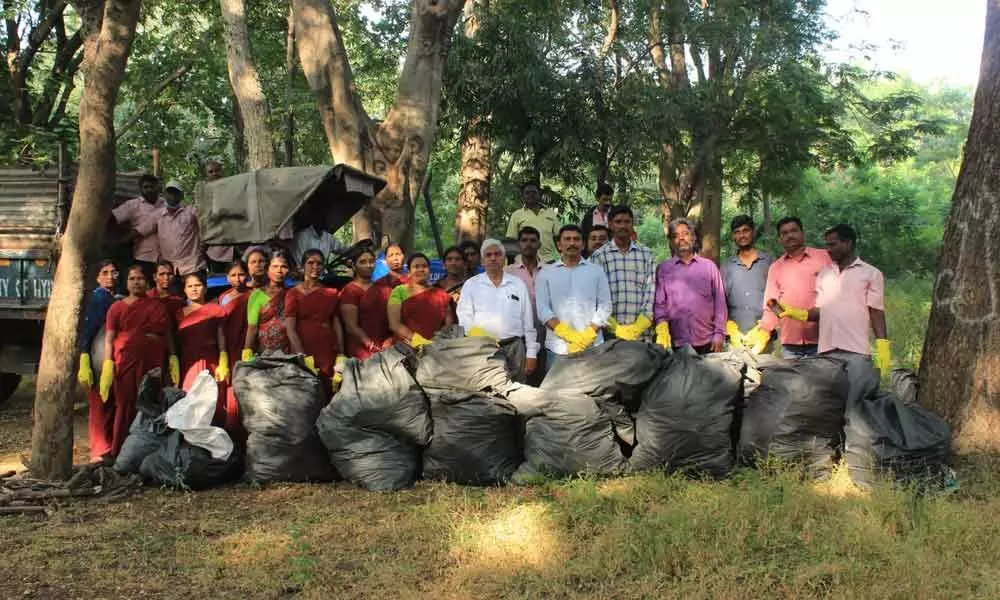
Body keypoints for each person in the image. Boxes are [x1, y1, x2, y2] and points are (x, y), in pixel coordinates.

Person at [780, 225, 891, 378]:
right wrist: (796, 313)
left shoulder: (871, 274)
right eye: (827, 245)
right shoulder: (824, 274)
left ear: (848, 243)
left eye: (833, 244)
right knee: (829, 400)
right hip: (827, 352)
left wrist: (882, 346)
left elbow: (876, 312)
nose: (829, 250)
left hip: (856, 352)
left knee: (854, 398)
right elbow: (821, 311)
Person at [98, 265, 177, 457]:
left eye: (140, 278)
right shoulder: (116, 308)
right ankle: (119, 451)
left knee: (151, 403)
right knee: (125, 404)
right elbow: (109, 338)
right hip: (125, 361)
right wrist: (108, 364)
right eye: (132, 279)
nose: (136, 282)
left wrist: (173, 358)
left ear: (147, 282)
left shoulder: (157, 306)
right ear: (126, 283)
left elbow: (167, 336)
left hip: (153, 362)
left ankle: (150, 452)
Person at [746, 217, 832, 358]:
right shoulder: (776, 267)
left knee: (822, 380)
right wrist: (765, 330)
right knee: (792, 380)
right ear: (780, 239)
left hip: (823, 339)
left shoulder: (824, 257)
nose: (790, 235)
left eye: (794, 231)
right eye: (784, 233)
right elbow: (771, 302)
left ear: (802, 234)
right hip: (791, 344)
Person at [456, 239, 539, 382]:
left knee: (517, 394)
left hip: (515, 348)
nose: (493, 258)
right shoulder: (472, 285)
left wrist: (531, 353)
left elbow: (528, 322)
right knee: (487, 394)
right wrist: (481, 338)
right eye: (488, 255)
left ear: (504, 258)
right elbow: (464, 319)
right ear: (482, 261)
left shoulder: (517, 284)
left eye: (497, 254)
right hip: (482, 348)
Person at [535, 225, 612, 364]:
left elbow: (605, 306)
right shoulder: (546, 273)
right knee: (557, 387)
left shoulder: (596, 271)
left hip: (592, 346)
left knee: (594, 387)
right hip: (558, 349)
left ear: (582, 244)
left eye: (576, 239)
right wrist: (569, 335)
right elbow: (543, 309)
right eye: (567, 239)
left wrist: (587, 336)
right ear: (559, 244)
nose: (572, 243)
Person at [653, 218, 727, 354]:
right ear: (671, 242)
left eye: (685, 233)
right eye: (675, 236)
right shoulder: (664, 269)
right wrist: (661, 327)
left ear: (693, 237)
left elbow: (720, 303)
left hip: (708, 342)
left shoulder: (709, 267)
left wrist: (719, 333)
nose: (681, 238)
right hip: (676, 343)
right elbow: (659, 305)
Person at [590, 207, 656, 342]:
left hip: (641, 335)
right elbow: (596, 297)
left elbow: (651, 292)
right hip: (610, 335)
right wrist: (614, 327)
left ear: (632, 224)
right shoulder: (600, 256)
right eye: (618, 222)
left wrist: (639, 326)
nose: (623, 226)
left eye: (627, 222)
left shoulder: (646, 254)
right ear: (609, 224)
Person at [287, 249, 347, 397]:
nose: (315, 267)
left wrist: (341, 354)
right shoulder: (293, 293)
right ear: (303, 266)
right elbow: (290, 328)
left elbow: (336, 323)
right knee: (304, 394)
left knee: (327, 390)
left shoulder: (331, 293)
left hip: (326, 349)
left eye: (319, 263)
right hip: (302, 347)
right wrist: (302, 356)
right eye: (311, 263)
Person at [77, 260, 119, 464]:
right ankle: (99, 450)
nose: (110, 276)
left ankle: (107, 447)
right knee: (99, 402)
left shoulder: (113, 298)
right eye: (105, 272)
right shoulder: (98, 298)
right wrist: (84, 355)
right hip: (96, 355)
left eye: (113, 272)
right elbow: (88, 328)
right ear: (97, 277)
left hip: (107, 355)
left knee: (109, 401)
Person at [721, 215, 773, 351]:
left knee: (767, 372)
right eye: (737, 232)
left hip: (765, 337)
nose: (742, 236)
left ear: (753, 232)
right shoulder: (727, 267)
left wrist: (768, 327)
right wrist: (729, 328)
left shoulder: (769, 262)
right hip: (735, 338)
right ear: (733, 236)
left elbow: (779, 299)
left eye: (745, 231)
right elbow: (720, 302)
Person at [506, 226, 547, 381]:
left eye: (533, 240)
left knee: (543, 381)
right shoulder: (508, 272)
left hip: (546, 336)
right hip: (519, 339)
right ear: (518, 245)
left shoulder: (549, 270)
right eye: (524, 240)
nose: (528, 244)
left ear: (539, 244)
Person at [387, 253, 453, 347]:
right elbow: (394, 324)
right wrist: (417, 339)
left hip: (436, 347)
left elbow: (448, 324)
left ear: (429, 271)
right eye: (416, 267)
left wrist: (437, 340)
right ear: (409, 272)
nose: (421, 269)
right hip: (407, 347)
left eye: (424, 266)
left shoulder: (441, 294)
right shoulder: (399, 291)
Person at [215, 260, 250, 438]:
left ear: (248, 275)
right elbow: (220, 327)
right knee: (229, 389)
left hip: (248, 348)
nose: (238, 279)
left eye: (241, 274)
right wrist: (222, 353)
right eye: (234, 275)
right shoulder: (224, 298)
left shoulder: (254, 295)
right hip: (229, 348)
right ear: (228, 278)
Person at [175, 273, 227, 391]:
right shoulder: (179, 314)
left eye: (197, 285)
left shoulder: (216, 309)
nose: (194, 289)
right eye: (190, 286)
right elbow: (177, 341)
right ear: (185, 290)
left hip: (211, 358)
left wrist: (223, 358)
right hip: (188, 361)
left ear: (205, 288)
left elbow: (221, 336)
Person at [340, 249, 394, 359]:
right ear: (354, 266)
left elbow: (394, 318)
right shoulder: (350, 290)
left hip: (385, 346)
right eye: (363, 262)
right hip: (361, 348)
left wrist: (390, 339)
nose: (368, 265)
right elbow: (351, 326)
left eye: (371, 261)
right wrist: (369, 344)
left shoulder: (384, 289)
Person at [243, 251, 296, 357]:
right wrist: (247, 351)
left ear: (289, 270)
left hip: (288, 352)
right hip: (264, 352)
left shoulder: (293, 294)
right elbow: (252, 328)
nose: (279, 271)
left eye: (283, 267)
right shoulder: (257, 295)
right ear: (267, 269)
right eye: (275, 266)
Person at [112, 174, 163, 280]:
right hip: (143, 257)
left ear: (158, 188)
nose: (149, 190)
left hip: (166, 258)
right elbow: (113, 218)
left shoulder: (166, 205)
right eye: (146, 187)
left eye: (152, 187)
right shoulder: (132, 205)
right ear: (140, 189)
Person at [156, 180, 206, 278]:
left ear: (182, 195)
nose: (172, 196)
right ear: (164, 195)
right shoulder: (158, 215)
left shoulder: (192, 211)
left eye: (176, 193)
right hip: (169, 271)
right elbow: (142, 229)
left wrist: (201, 251)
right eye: (169, 193)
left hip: (193, 267)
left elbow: (206, 229)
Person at [505, 181, 561, 262]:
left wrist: (562, 258)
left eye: (534, 192)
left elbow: (558, 237)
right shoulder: (516, 215)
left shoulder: (550, 213)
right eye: (527, 193)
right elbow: (511, 241)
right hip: (525, 262)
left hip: (549, 260)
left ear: (539, 195)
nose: (531, 195)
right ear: (523, 197)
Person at [203, 160, 235, 271]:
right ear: (206, 175)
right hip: (215, 251)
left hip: (236, 248)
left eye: (217, 170)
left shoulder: (234, 190)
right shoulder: (203, 195)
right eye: (210, 172)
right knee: (219, 285)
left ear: (222, 172)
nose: (214, 174)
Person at [148, 259, 186, 327]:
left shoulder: (179, 301)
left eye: (169, 274)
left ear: (174, 276)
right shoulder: (146, 298)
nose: (166, 278)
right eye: (162, 274)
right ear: (154, 277)